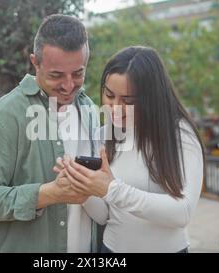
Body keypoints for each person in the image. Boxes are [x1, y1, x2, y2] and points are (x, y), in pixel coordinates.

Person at [0, 14, 102, 253]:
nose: (69, 85)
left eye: (78, 73)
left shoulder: (90, 108)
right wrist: (48, 194)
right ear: (35, 63)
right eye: (56, 75)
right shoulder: (2, 117)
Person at [56, 46, 205, 253]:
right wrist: (84, 189)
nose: (115, 107)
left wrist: (112, 189)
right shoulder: (103, 135)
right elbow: (106, 215)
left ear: (151, 99)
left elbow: (182, 213)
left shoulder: (180, 135)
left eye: (128, 101)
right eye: (109, 95)